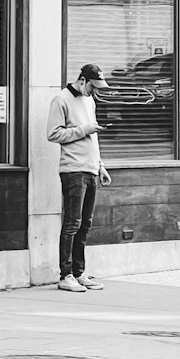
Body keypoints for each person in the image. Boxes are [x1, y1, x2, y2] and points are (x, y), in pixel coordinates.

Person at [47, 62, 112, 292]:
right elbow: (53, 134)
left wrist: (100, 166)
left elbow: (93, 139)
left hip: (91, 169)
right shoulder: (61, 99)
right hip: (73, 170)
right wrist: (84, 129)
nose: (95, 92)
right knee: (72, 224)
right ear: (82, 80)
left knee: (85, 224)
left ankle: (79, 272)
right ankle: (65, 275)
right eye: (93, 87)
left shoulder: (90, 100)